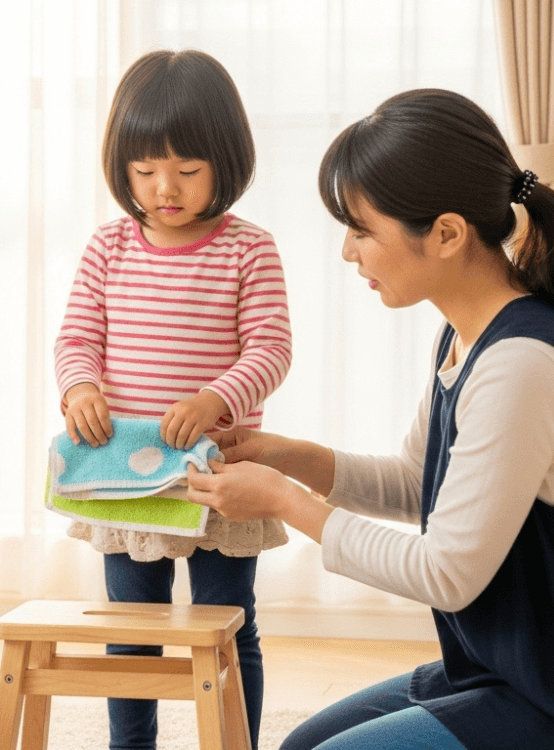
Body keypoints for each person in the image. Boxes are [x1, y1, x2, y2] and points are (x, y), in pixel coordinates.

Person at [186, 87, 554, 750]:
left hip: (540, 691)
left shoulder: (521, 362)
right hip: (497, 669)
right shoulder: (464, 336)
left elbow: (446, 572)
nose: (349, 252)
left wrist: (285, 503)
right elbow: (419, 484)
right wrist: (283, 454)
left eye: (361, 230)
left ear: (446, 234)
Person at [53, 49, 293, 750]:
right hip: (128, 476)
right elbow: (77, 338)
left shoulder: (249, 250)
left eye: (187, 170)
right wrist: (79, 386)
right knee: (133, 632)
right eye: (145, 170)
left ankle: (235, 743)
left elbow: (271, 349)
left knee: (228, 626)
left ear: (225, 162)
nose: (165, 188)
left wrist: (216, 397)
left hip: (221, 476)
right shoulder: (107, 248)